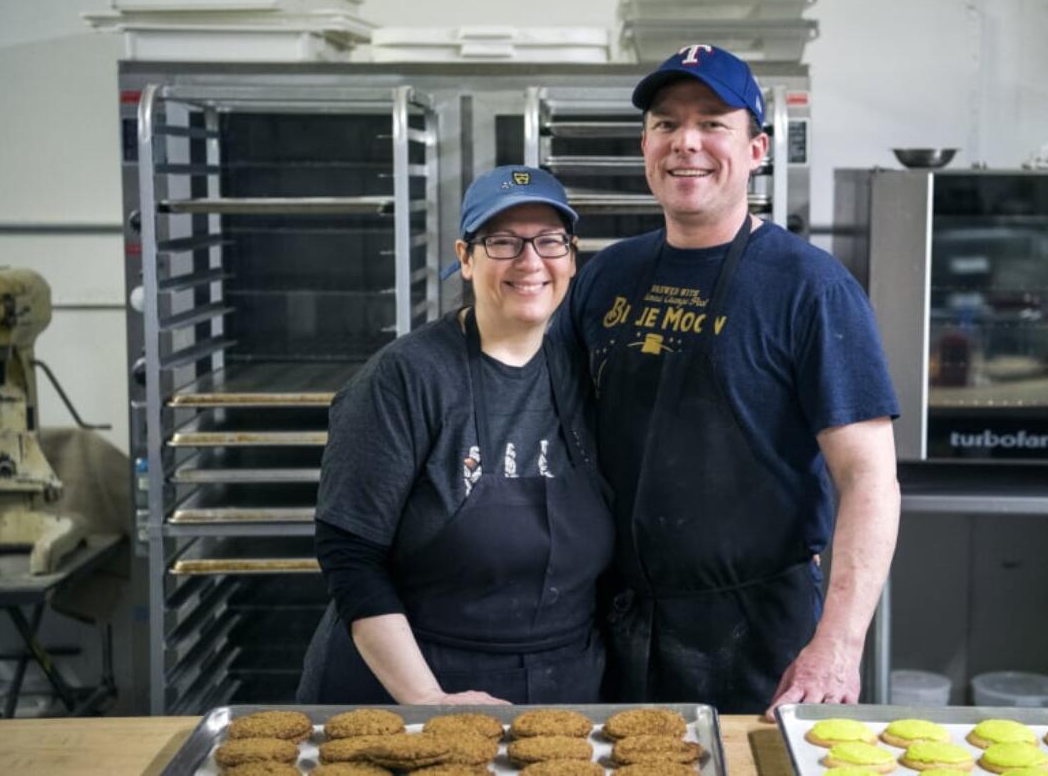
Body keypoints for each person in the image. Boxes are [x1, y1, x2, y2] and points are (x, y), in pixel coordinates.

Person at [559, 45, 902, 715]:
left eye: (713, 122)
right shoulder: (605, 276)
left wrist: (837, 644)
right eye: (666, 123)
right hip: (612, 623)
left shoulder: (811, 289)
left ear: (756, 149)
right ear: (646, 145)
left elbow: (870, 480)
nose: (686, 142)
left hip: (757, 634)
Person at [298, 165, 612, 706]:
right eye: (503, 242)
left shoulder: (587, 368)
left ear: (572, 255)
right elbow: (350, 556)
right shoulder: (405, 378)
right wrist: (429, 701)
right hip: (412, 688)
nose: (531, 261)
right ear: (465, 258)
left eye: (549, 241)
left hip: (563, 691)